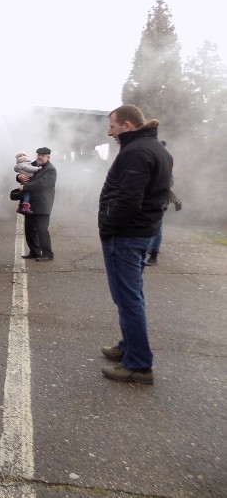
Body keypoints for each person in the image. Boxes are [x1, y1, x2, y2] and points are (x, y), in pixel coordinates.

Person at [98, 105, 173, 384]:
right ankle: (128, 347)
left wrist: (107, 228)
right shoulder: (154, 149)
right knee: (131, 296)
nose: (110, 132)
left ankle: (139, 365)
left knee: (128, 299)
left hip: (126, 236)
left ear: (127, 125)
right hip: (140, 233)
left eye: (113, 127)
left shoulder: (137, 152)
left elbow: (129, 199)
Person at [145, 141, 182, 266]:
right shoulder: (159, 160)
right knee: (153, 226)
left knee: (157, 226)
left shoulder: (165, 161)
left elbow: (169, 183)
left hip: (159, 199)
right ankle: (151, 251)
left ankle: (153, 255)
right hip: (152, 198)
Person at [17, 146, 56, 261]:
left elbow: (41, 184)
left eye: (42, 155)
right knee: (29, 229)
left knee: (42, 229)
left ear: (48, 157)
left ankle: (48, 254)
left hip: (44, 204)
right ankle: (34, 252)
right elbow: (22, 171)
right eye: (38, 154)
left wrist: (24, 187)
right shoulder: (33, 164)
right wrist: (19, 176)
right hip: (31, 204)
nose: (39, 157)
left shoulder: (51, 170)